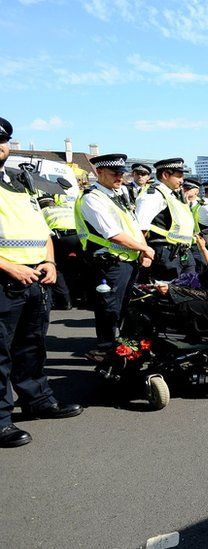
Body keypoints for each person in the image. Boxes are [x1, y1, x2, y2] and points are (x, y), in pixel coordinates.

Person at [0, 116, 84, 448]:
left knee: (31, 346)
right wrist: (9, 267)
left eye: (3, 140)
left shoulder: (18, 183)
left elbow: (41, 230)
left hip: (35, 277)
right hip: (6, 279)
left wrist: (49, 261)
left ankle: (37, 401)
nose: (0, 146)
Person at [76, 154, 155, 355]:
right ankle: (106, 350)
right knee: (109, 309)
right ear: (99, 172)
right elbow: (112, 234)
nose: (119, 178)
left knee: (123, 308)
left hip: (127, 261)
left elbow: (134, 227)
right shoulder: (92, 198)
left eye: (121, 173)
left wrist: (142, 251)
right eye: (114, 173)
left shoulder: (118, 195)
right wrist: (144, 249)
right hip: (109, 263)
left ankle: (120, 349)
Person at [135, 158, 196, 280]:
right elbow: (141, 227)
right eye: (178, 176)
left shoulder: (172, 195)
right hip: (165, 253)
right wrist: (143, 251)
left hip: (182, 252)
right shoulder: (153, 196)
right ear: (165, 175)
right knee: (165, 294)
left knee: (189, 291)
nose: (182, 180)